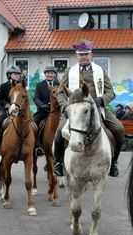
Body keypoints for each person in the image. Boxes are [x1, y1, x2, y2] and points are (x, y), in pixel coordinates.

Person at [54, 39, 124, 177]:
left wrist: (101, 100)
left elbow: (110, 92)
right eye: (81, 54)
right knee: (59, 132)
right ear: (76, 56)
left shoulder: (100, 71)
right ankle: (58, 162)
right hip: (74, 110)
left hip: (97, 108)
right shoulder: (70, 71)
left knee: (119, 129)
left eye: (87, 54)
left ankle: (114, 161)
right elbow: (60, 92)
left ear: (92, 54)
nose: (84, 56)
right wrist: (65, 107)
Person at [0, 65, 22, 154]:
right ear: (9, 75)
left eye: (18, 74)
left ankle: (35, 145)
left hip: (20, 110)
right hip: (8, 110)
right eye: (15, 74)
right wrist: (7, 105)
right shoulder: (3, 86)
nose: (17, 76)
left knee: (31, 123)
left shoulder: (21, 85)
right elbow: (0, 99)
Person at [33, 65, 60, 157]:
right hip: (44, 111)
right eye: (48, 73)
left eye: (52, 73)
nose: (50, 74)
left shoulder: (59, 84)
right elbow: (36, 98)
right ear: (45, 74)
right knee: (34, 124)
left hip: (56, 111)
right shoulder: (40, 85)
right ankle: (37, 146)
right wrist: (42, 105)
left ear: (55, 74)